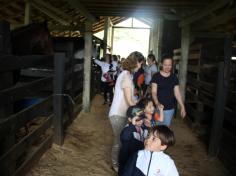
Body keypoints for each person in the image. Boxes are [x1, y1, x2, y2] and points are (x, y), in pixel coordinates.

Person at [109, 51, 145, 172]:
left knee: (121, 140)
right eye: (140, 63)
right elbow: (130, 101)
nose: (141, 66)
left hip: (121, 113)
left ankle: (119, 163)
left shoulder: (127, 74)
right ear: (136, 62)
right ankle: (115, 165)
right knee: (119, 140)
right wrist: (142, 102)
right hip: (118, 113)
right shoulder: (126, 76)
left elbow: (130, 98)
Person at [151, 55, 186, 126]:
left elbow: (177, 93)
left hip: (169, 109)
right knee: (155, 129)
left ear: (172, 65)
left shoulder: (174, 77)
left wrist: (182, 107)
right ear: (161, 64)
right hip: (157, 108)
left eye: (169, 65)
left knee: (165, 131)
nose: (167, 67)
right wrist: (157, 103)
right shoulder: (156, 76)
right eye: (165, 65)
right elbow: (153, 92)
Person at [118, 106, 148, 176]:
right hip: (126, 158)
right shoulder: (128, 129)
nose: (141, 121)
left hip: (137, 158)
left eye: (142, 118)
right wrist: (132, 124)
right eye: (137, 119)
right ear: (130, 119)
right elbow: (125, 137)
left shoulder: (144, 128)